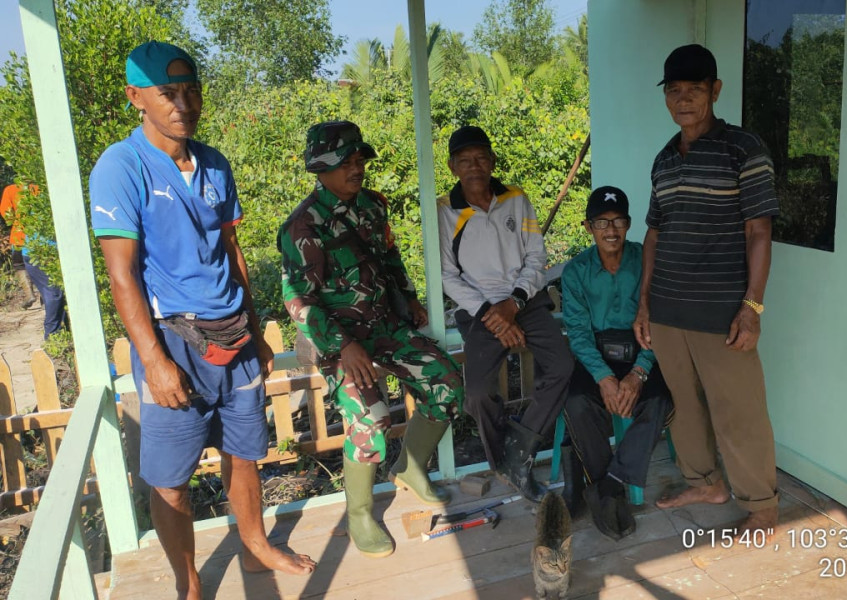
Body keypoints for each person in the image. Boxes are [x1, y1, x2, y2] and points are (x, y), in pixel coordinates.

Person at [90, 41, 315, 599]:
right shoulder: (122, 167)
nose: (183, 104)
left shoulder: (214, 163)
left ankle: (256, 548)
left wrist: (256, 332)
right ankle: (188, 582)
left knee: (245, 452)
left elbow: (231, 250)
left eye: (191, 91)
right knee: (170, 479)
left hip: (233, 336)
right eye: (168, 93)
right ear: (136, 97)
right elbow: (122, 275)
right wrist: (153, 361)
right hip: (174, 340)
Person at [278, 120, 464, 558]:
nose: (357, 168)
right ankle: (359, 514)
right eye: (346, 161)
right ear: (321, 168)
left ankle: (410, 467)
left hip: (385, 326)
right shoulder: (303, 226)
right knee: (371, 422)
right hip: (341, 341)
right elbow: (298, 300)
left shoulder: (373, 205)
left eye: (360, 159)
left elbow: (390, 257)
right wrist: (343, 346)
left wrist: (409, 297)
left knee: (446, 382)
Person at [633, 44, 780, 534]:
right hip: (668, 311)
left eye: (694, 89)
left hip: (722, 313)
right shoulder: (663, 160)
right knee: (685, 408)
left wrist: (752, 307)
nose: (683, 99)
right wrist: (644, 303)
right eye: (674, 90)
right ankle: (707, 484)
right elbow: (654, 234)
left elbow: (759, 231)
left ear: (715, 90)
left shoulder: (743, 149)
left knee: (739, 410)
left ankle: (761, 505)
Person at [437, 126, 573, 502]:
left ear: (493, 161)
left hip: (524, 301)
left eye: (481, 158)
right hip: (478, 310)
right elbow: (446, 275)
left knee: (562, 366)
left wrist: (513, 303)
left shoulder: (516, 198)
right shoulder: (443, 210)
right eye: (465, 160)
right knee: (478, 394)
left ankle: (520, 448)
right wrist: (491, 314)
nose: (474, 166)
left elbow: (536, 256)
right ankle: (504, 460)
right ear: (452, 167)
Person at [561, 186, 673, 540]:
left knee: (660, 399)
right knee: (577, 402)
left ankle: (610, 484)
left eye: (618, 221)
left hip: (641, 350)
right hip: (596, 355)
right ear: (588, 227)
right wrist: (604, 377)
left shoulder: (646, 261)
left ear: (629, 223)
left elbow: (660, 319)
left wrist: (639, 372)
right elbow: (578, 333)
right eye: (601, 222)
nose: (611, 230)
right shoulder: (576, 271)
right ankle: (606, 485)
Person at [1, 183, 40, 310]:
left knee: (19, 265)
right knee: (41, 265)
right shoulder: (39, 187)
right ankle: (45, 295)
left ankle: (29, 295)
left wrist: (17, 221)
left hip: (19, 236)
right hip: (40, 236)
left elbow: (6, 214)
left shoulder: (10, 190)